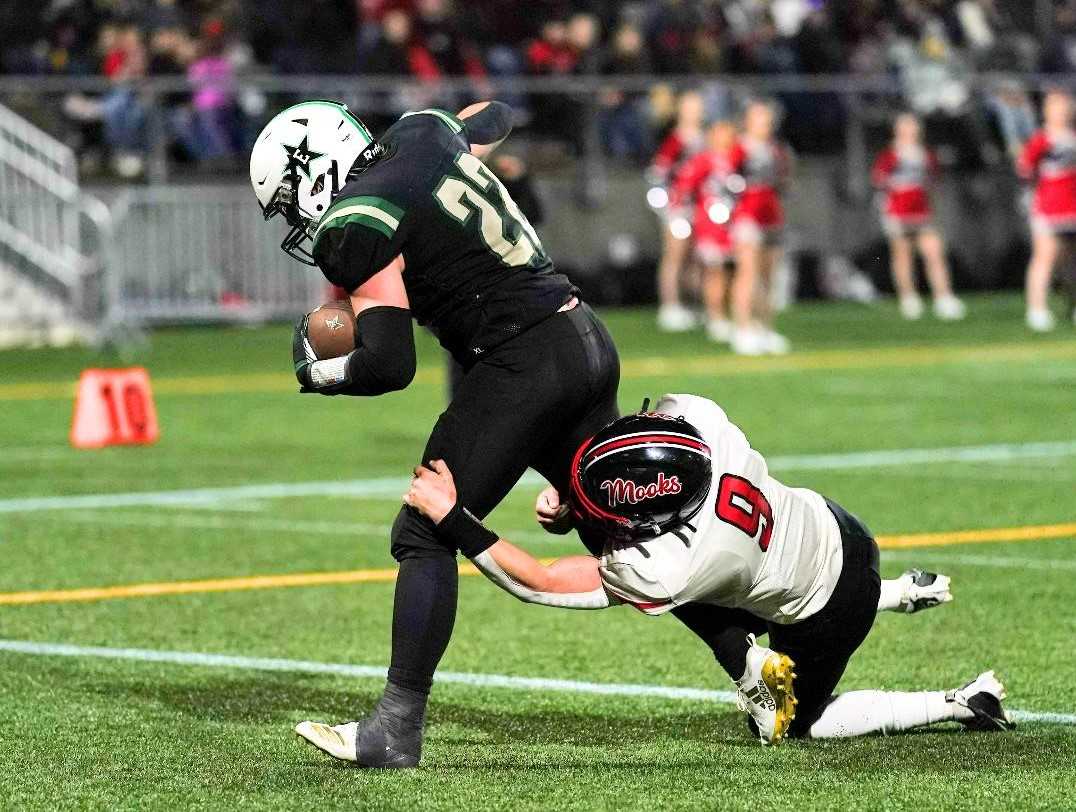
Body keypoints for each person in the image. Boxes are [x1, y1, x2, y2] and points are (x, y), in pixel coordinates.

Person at [249, 100, 727, 768]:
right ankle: (752, 668)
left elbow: (389, 365)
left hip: (521, 360)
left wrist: (320, 372)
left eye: (289, 202)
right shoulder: (420, 134)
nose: (298, 221)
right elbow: (492, 115)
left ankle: (395, 728)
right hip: (580, 334)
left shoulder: (360, 217)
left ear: (313, 172)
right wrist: (459, 139)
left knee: (425, 528)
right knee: (616, 523)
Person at [403, 394, 1013, 745]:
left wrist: (454, 518)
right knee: (727, 583)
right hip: (837, 526)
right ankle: (897, 591)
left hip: (829, 607)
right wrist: (582, 496)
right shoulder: (704, 423)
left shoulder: (666, 566)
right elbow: (643, 441)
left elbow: (539, 582)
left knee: (792, 725)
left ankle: (960, 702)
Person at [872, 113, 965, 321]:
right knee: (903, 255)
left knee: (934, 252)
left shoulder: (924, 154)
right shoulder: (891, 154)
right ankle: (908, 298)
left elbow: (933, 180)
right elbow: (879, 179)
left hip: (921, 212)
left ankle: (943, 297)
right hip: (898, 211)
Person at [669, 119, 741, 344]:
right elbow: (683, 186)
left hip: (735, 223)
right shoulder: (704, 160)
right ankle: (715, 316)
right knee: (714, 270)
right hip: (711, 226)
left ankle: (729, 314)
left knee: (733, 272)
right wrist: (682, 214)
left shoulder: (737, 159)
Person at [729, 100, 791, 355]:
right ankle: (743, 328)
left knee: (769, 276)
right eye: (759, 119)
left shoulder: (776, 149)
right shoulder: (739, 148)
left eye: (767, 120)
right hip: (747, 214)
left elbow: (784, 181)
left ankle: (765, 328)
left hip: (771, 215)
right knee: (748, 272)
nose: (765, 124)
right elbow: (727, 181)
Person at [1017, 89, 1076, 331]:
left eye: (1065, 106)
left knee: (1071, 261)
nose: (1061, 111)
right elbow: (1024, 169)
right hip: (1049, 207)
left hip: (1072, 207)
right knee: (1045, 257)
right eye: (1055, 106)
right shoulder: (1041, 140)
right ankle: (1037, 308)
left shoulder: (1073, 137)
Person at [648, 91, 706, 332]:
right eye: (690, 107)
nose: (695, 112)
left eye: (698, 107)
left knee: (698, 259)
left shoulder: (705, 139)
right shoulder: (675, 141)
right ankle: (670, 305)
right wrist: (667, 207)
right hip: (679, 209)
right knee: (675, 257)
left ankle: (695, 304)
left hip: (701, 208)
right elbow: (657, 174)